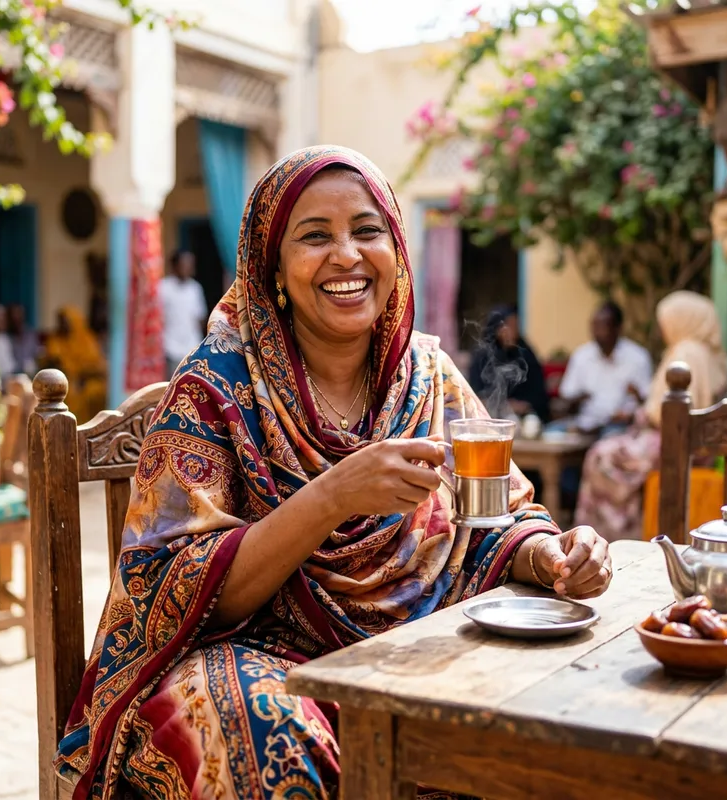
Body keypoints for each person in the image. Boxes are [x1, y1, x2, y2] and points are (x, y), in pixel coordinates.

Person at [55, 146, 612, 799]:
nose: (346, 255)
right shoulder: (214, 391)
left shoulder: (429, 377)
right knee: (261, 730)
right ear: (275, 271)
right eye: (314, 236)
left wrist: (553, 556)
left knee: (569, 698)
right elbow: (172, 594)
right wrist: (332, 496)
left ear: (395, 252)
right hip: (262, 654)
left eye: (367, 231)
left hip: (411, 653)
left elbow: (496, 525)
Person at [575, 291, 727, 542]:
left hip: (671, 443)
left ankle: (610, 535)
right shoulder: (710, 355)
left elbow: (666, 414)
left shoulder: (686, 353)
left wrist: (641, 414)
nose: (661, 329)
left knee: (600, 456)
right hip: (691, 447)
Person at [555, 301, 653, 437]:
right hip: (585, 423)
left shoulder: (638, 358)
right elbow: (567, 395)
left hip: (619, 426)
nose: (597, 332)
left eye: (602, 326)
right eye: (594, 326)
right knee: (552, 433)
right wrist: (578, 399)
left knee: (610, 436)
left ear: (618, 328)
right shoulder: (582, 356)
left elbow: (647, 403)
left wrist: (633, 406)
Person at [468, 304, 549, 422]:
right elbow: (475, 395)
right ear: (496, 328)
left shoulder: (525, 352)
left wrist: (524, 405)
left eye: (515, 326)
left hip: (524, 418)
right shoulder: (482, 355)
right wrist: (503, 406)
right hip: (491, 419)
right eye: (508, 326)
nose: (513, 332)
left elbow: (538, 392)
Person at [42, 306, 107, 423]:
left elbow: (97, 366)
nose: (62, 325)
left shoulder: (87, 340)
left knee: (95, 391)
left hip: (88, 379)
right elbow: (54, 362)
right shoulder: (56, 340)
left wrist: (84, 376)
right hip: (65, 379)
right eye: (60, 321)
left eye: (65, 321)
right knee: (69, 394)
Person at [159, 249, 208, 377]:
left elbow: (200, 317)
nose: (188, 268)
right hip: (170, 347)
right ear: (175, 265)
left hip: (191, 347)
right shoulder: (164, 287)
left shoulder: (195, 289)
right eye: (184, 264)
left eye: (190, 264)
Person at [7, 303, 39, 376]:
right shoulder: (5, 338)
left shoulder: (30, 335)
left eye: (19, 314)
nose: (16, 317)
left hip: (31, 375)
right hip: (12, 376)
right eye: (13, 315)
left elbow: (36, 354)